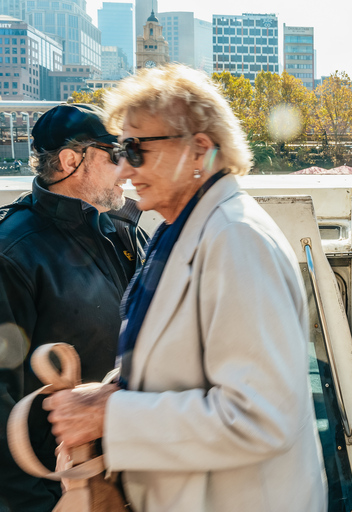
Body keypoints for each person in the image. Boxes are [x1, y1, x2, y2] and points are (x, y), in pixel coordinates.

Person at [41, 65, 327, 512]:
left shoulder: (237, 239)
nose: (122, 171)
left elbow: (261, 417)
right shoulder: (183, 231)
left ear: (200, 151)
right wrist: (107, 395)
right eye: (120, 150)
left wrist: (108, 415)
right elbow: (178, 362)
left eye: (136, 149)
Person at [0, 104, 147, 512]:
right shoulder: (12, 253)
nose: (129, 167)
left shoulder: (124, 231)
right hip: (61, 490)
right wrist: (37, 505)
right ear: (70, 161)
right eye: (117, 153)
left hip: (132, 477)